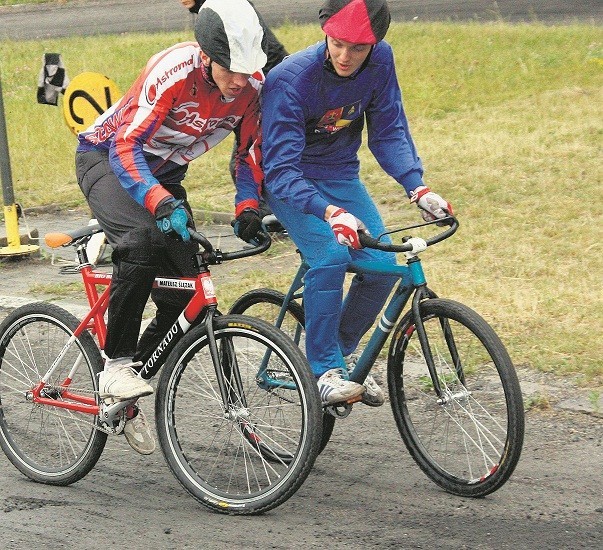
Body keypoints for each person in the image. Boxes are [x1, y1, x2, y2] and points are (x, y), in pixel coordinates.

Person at [75, 0, 268, 455]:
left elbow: (247, 154)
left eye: (247, 70)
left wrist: (247, 207)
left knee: (186, 290)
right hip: (106, 159)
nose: (239, 82)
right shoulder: (172, 71)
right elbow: (126, 145)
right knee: (141, 241)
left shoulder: (251, 88)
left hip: (164, 175)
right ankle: (116, 366)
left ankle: (127, 394)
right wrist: (159, 202)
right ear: (207, 56)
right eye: (230, 70)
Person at [261, 0, 453, 406]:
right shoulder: (291, 79)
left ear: (375, 44)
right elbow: (279, 169)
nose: (346, 56)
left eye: (359, 48)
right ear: (325, 33)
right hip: (288, 182)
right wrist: (329, 213)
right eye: (337, 43)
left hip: (341, 177)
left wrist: (417, 188)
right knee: (330, 256)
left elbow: (389, 129)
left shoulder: (381, 60)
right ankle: (323, 370)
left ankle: (341, 355)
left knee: (384, 267)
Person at [180, 0, 288, 218]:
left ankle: (272, 216)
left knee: (248, 159)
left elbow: (271, 53)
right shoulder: (213, 13)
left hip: (268, 85)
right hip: (249, 85)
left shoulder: (224, 11)